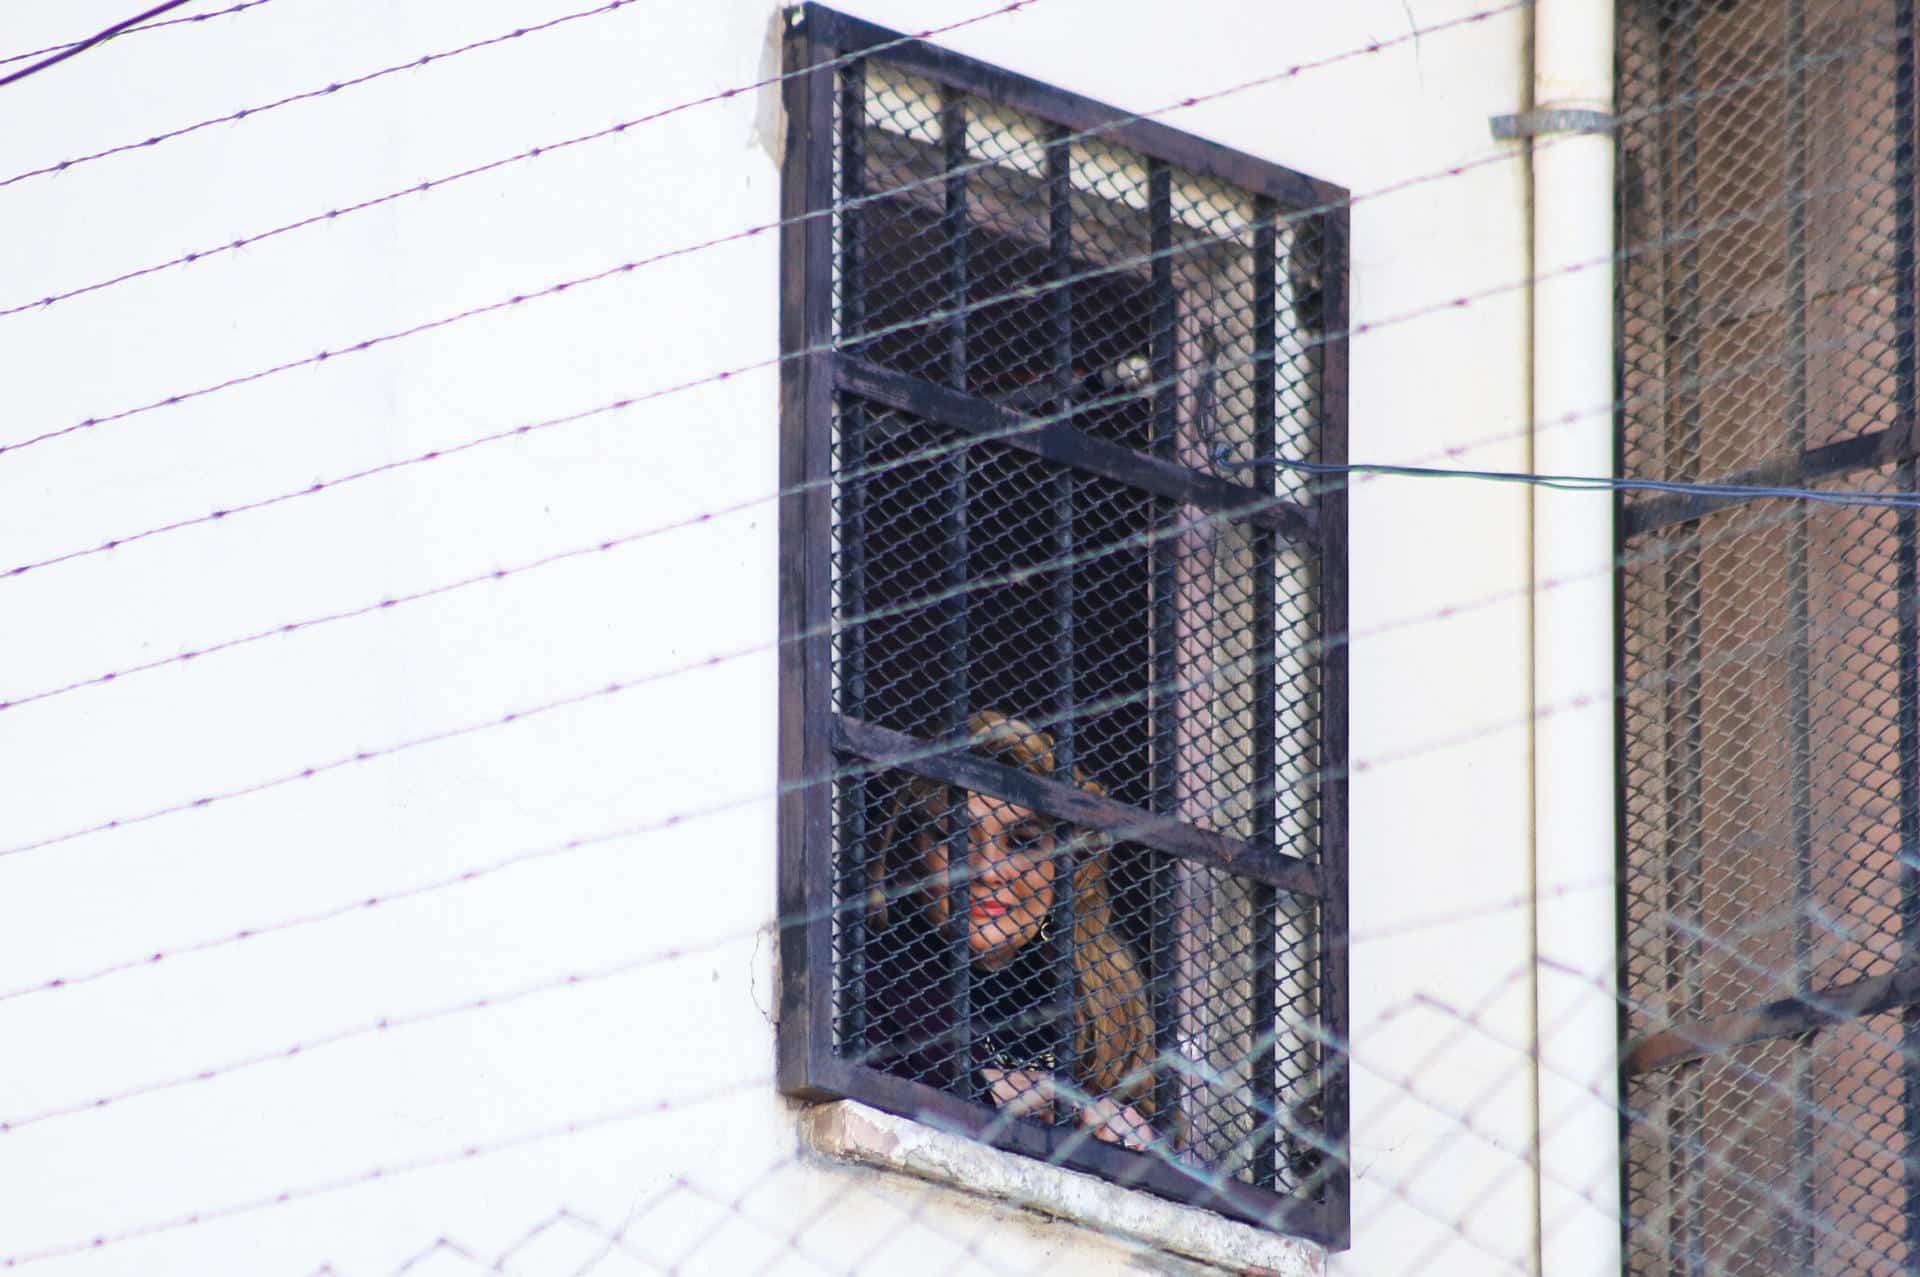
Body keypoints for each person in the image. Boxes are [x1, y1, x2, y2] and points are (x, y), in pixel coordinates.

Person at [865, 710, 1156, 1150]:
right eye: (955, 837)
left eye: (1023, 842)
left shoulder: (1102, 997)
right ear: (911, 854)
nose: (989, 870)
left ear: (1066, 867)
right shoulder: (865, 973)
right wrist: (992, 1088)